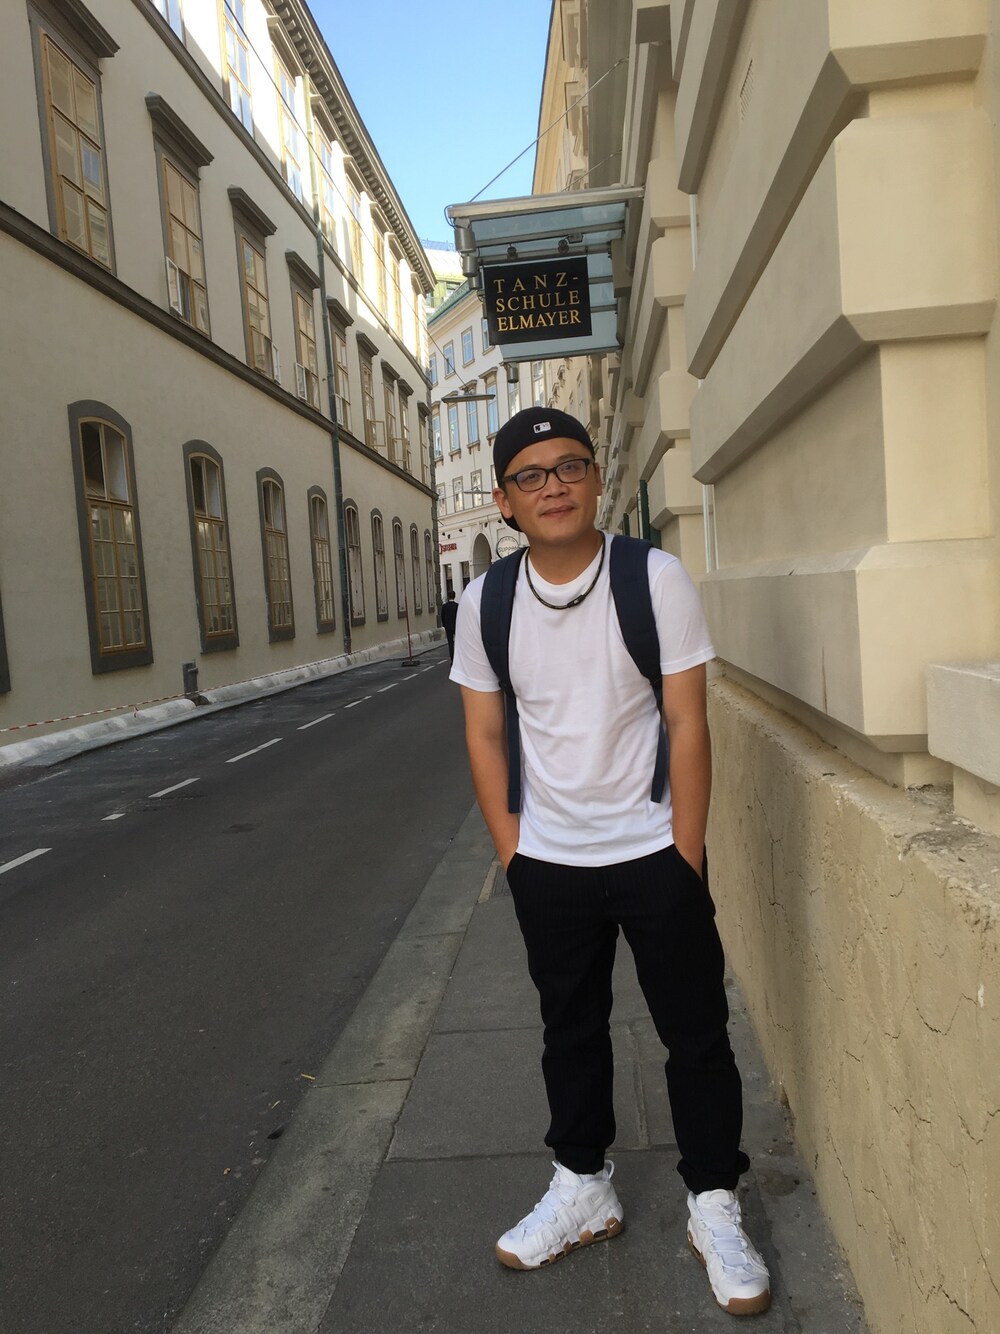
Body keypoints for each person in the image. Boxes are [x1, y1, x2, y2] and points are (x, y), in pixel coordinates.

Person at [449, 406, 770, 1317]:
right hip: (549, 862)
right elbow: (482, 731)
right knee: (570, 1031)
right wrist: (513, 853)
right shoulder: (486, 602)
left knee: (695, 1033)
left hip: (653, 850)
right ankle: (583, 1184)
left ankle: (714, 1201)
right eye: (530, 474)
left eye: (569, 466)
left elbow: (688, 720)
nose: (552, 485)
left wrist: (686, 853)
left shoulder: (653, 577)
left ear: (594, 480)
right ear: (506, 501)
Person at [440, 590, 459, 661]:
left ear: (448, 597)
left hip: (448, 626)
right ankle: (458, 657)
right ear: (454, 596)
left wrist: (444, 625)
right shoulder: (457, 606)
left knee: (450, 643)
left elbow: (442, 616)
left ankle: (452, 658)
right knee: (458, 642)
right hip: (456, 626)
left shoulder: (444, 606)